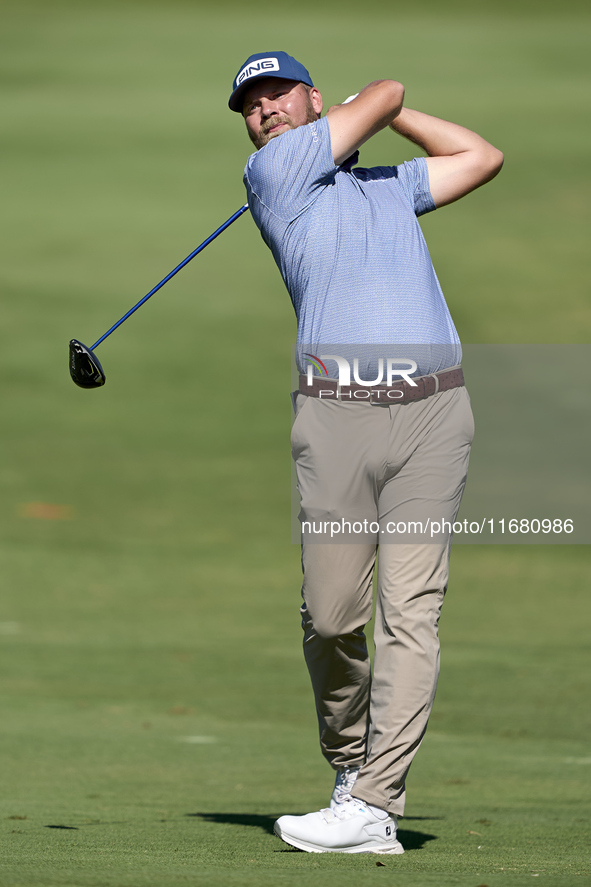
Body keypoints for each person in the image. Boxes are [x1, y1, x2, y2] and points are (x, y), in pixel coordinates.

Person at [228, 51, 503, 855]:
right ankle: (349, 767)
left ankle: (376, 801)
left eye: (280, 95)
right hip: (336, 416)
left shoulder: (386, 187)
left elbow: (478, 157)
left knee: (411, 614)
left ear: (313, 100)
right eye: (252, 104)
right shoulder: (273, 173)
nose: (266, 111)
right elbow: (388, 88)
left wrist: (374, 123)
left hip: (433, 412)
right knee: (332, 616)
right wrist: (364, 109)